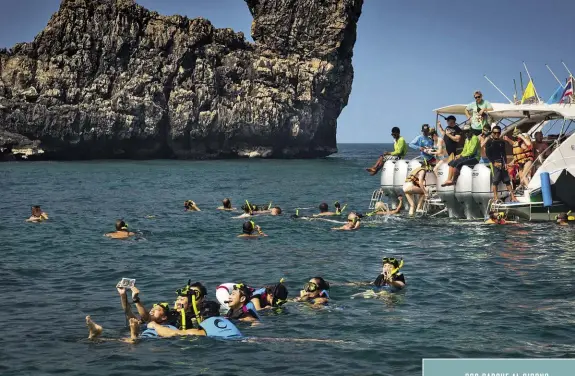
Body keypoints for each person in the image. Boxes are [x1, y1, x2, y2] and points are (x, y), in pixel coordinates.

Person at [485, 125, 516, 202]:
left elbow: (504, 153)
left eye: (498, 133)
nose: (496, 134)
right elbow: (488, 154)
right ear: (492, 133)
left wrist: (505, 163)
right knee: (495, 181)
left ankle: (513, 196)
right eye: (494, 133)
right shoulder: (489, 142)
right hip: (495, 162)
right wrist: (494, 162)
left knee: (507, 180)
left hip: (502, 162)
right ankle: (495, 197)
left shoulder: (502, 142)